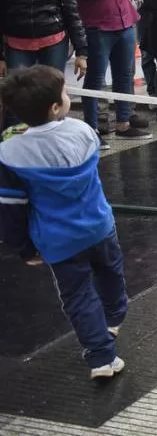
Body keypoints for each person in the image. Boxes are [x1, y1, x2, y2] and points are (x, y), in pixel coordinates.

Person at [0, 66, 128, 379]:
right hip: (100, 226)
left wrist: (25, 249)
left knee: (77, 296)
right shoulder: (82, 130)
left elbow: (12, 210)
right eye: (65, 94)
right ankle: (114, 318)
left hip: (58, 241)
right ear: (55, 107)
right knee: (111, 273)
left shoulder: (9, 152)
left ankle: (101, 359)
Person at [63, 0, 149, 144]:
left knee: (124, 76)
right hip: (96, 25)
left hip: (126, 23)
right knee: (95, 80)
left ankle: (123, 123)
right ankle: (93, 130)